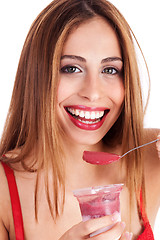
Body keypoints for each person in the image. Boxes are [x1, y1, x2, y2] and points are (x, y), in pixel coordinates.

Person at [0, 0, 160, 239]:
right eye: (71, 68)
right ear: (37, 75)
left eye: (110, 70)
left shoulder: (149, 156)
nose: (93, 92)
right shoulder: (3, 189)